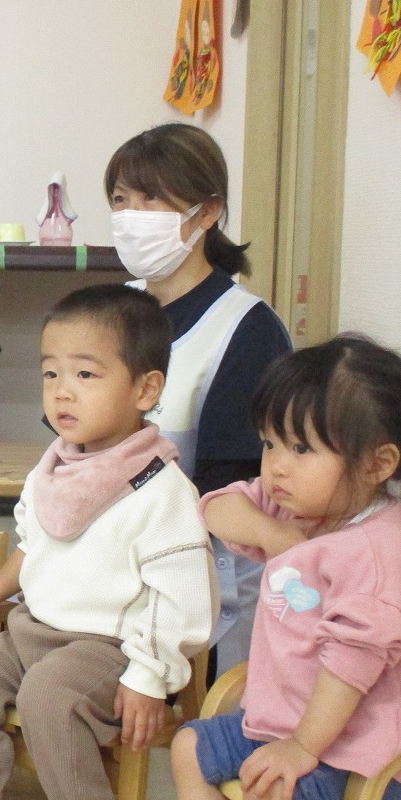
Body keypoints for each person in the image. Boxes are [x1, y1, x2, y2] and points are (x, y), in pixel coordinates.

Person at [171, 335, 401, 800]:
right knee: (189, 747)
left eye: (301, 448)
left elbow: (351, 666)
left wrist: (302, 747)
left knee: (270, 794)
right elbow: (214, 506)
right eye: (269, 443)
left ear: (377, 464)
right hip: (290, 725)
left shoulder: (376, 554)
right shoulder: (301, 510)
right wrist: (276, 536)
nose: (276, 466)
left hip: (370, 752)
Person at [0, 284, 218, 800]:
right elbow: (35, 545)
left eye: (85, 374)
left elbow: (181, 597)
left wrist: (149, 675)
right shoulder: (57, 468)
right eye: (50, 373)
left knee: (50, 695)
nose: (62, 391)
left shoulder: (160, 489)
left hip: (108, 648)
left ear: (146, 389)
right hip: (33, 630)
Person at [106, 123, 292, 675]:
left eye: (151, 198)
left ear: (207, 212)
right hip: (109, 558)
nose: (131, 215)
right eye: (121, 199)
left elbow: (229, 485)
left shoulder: (247, 329)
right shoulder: (110, 313)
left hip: (198, 577)